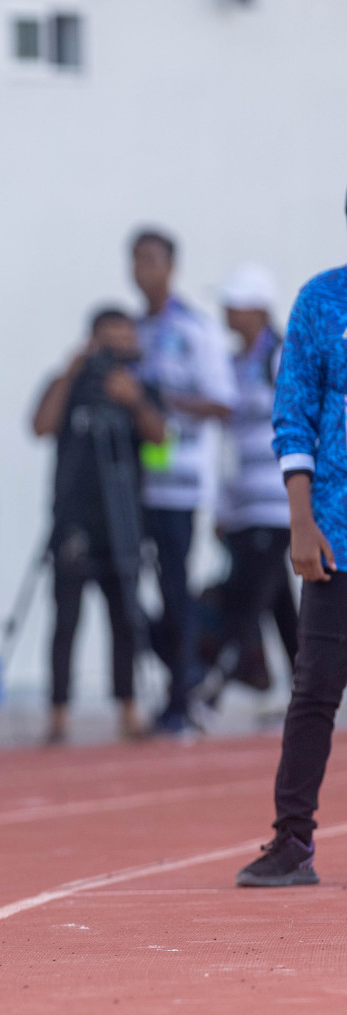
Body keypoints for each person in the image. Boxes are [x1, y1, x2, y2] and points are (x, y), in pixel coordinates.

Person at [235, 207, 347, 887]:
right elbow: (294, 413)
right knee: (314, 692)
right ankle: (293, 841)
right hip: (336, 536)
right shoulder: (321, 300)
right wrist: (300, 521)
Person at [31, 308, 166, 744]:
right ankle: (58, 711)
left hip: (122, 518)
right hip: (73, 516)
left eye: (125, 341)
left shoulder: (141, 386)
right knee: (66, 618)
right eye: (108, 342)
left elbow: (161, 438)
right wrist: (69, 374)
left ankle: (128, 707)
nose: (117, 352)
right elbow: (41, 426)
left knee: (125, 614)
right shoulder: (72, 386)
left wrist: (135, 401)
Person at [129, 228, 238, 733]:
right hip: (132, 485)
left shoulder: (195, 330)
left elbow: (222, 402)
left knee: (175, 590)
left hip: (178, 482)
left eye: (151, 259)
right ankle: (177, 677)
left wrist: (159, 402)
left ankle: (182, 696)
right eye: (135, 259)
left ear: (171, 266)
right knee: (126, 590)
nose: (141, 269)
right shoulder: (131, 332)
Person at [208, 264, 296, 700]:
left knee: (248, 597)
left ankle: (213, 688)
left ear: (259, 309)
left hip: (278, 502)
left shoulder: (281, 357)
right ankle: (310, 684)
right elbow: (227, 441)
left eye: (235, 305)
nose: (227, 313)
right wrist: (222, 505)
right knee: (277, 598)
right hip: (243, 503)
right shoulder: (230, 364)